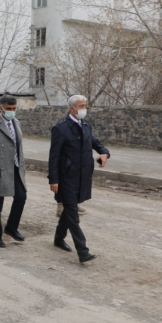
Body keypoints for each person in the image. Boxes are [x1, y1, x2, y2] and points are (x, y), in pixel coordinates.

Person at [48, 94, 110, 263]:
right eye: (81, 106)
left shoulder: (86, 125)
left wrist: (104, 152)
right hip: (66, 177)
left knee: (69, 210)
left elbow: (95, 142)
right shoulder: (60, 128)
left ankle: (58, 238)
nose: (84, 109)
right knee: (73, 214)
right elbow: (54, 156)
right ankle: (83, 251)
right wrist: (53, 179)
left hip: (82, 176)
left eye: (85, 105)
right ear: (72, 108)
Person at [0, 95, 27, 247]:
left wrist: (22, 166)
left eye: (14, 108)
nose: (11, 111)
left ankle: (11, 227)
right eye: (9, 108)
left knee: (21, 197)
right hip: (0, 168)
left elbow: (19, 147)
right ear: (1, 108)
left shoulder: (16, 122)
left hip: (15, 167)